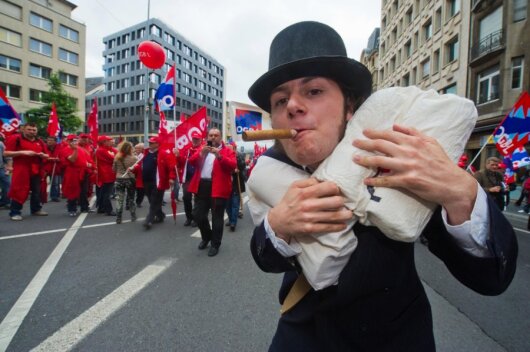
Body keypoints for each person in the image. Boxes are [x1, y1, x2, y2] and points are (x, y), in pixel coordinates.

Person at [247, 21, 517, 351]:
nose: (292, 106)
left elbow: (490, 278)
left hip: (394, 338)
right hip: (302, 335)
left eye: (313, 91)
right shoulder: (270, 173)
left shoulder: (393, 154)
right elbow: (266, 257)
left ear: (350, 107)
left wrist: (460, 192)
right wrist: (277, 227)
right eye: (280, 100)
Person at [188, 128, 236, 256]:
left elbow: (232, 165)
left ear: (221, 137)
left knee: (217, 218)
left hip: (218, 187)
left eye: (216, 135)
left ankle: (215, 244)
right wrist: (201, 154)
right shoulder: (203, 148)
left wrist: (219, 156)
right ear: (208, 137)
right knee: (197, 215)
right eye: (211, 135)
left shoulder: (228, 150)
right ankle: (207, 236)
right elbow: (191, 162)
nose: (213, 137)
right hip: (202, 186)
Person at [4, 123, 49, 220]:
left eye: (34, 130)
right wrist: (22, 152)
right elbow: (6, 153)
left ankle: (36, 209)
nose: (32, 132)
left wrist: (43, 155)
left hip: (36, 169)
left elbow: (47, 155)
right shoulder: (16, 138)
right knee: (19, 190)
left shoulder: (39, 141)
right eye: (29, 129)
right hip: (22, 168)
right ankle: (15, 212)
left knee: (37, 190)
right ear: (23, 130)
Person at [134, 136, 176, 230]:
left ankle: (148, 220)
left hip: (158, 182)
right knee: (152, 200)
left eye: (152, 143)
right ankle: (160, 215)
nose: (150, 144)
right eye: (149, 142)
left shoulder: (163, 153)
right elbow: (140, 164)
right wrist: (133, 169)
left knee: (154, 201)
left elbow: (171, 166)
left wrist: (171, 177)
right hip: (146, 181)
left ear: (157, 144)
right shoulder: (145, 153)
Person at [59, 135, 93, 216]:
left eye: (75, 140)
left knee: (83, 191)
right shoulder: (65, 150)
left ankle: (84, 207)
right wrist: (75, 149)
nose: (73, 142)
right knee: (72, 191)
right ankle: (72, 209)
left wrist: (91, 166)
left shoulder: (82, 149)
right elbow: (72, 159)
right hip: (72, 172)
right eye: (71, 140)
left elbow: (88, 160)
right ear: (67, 141)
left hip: (83, 172)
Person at [178, 132, 203, 227]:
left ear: (200, 140)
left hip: (198, 177)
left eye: (197, 139)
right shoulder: (187, 150)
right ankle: (189, 217)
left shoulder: (202, 149)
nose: (195, 141)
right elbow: (182, 163)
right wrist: (178, 156)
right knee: (186, 198)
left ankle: (196, 218)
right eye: (194, 139)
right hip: (188, 178)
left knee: (198, 199)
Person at [112, 141, 137, 224]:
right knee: (131, 198)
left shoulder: (117, 158)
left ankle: (118, 218)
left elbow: (114, 169)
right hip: (129, 179)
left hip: (119, 179)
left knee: (119, 199)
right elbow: (136, 170)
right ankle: (133, 215)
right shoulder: (133, 158)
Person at [225, 142, 246, 231]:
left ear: (234, 148)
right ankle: (230, 219)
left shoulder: (239, 156)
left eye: (230, 148)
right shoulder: (224, 156)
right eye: (227, 148)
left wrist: (236, 157)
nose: (228, 150)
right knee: (227, 205)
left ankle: (233, 222)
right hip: (226, 184)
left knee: (235, 204)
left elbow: (242, 165)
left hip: (236, 184)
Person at [95, 135, 117, 215]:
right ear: (104, 142)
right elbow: (114, 159)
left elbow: (118, 155)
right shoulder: (101, 150)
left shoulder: (110, 149)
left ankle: (101, 208)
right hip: (105, 174)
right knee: (106, 193)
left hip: (109, 173)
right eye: (109, 140)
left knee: (103, 193)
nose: (111, 141)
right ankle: (109, 210)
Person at [45, 136, 63, 202]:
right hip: (46, 167)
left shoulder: (59, 147)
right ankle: (43, 195)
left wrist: (59, 159)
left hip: (56, 167)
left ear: (55, 141)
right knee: (43, 182)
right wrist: (50, 158)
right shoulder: (44, 147)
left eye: (51, 140)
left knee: (55, 183)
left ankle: (55, 196)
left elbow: (62, 156)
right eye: (48, 140)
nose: (49, 141)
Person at [0, 135, 12, 208]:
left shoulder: (0, 144)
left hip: (1, 169)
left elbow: (7, 156)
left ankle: (5, 202)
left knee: (7, 185)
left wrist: (9, 167)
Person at [133, 143, 145, 208]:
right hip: (132, 175)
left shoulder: (143, 156)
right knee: (131, 191)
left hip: (140, 176)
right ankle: (129, 203)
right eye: (136, 148)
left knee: (141, 191)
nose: (136, 149)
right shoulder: (132, 156)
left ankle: (138, 202)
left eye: (138, 148)